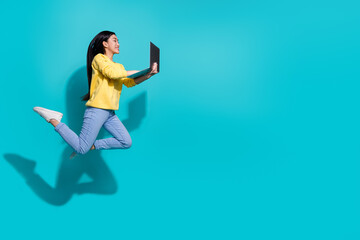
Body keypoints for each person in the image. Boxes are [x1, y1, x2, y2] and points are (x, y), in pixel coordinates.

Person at [33, 30, 158, 158]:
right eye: (115, 40)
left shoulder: (118, 67)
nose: (118, 44)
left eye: (118, 41)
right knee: (82, 149)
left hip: (109, 113)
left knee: (126, 142)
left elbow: (129, 82)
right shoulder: (99, 59)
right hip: (97, 111)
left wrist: (148, 74)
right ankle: (54, 119)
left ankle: (91, 145)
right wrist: (140, 70)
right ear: (105, 44)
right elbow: (112, 74)